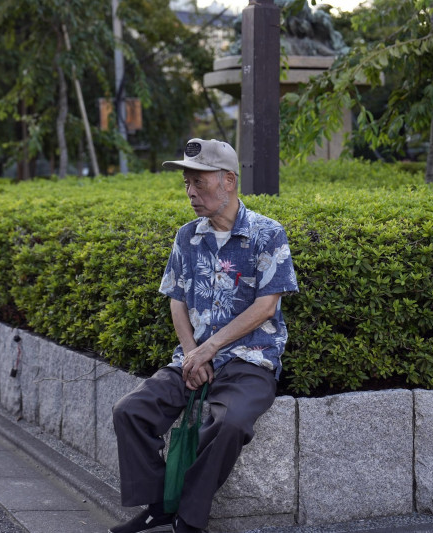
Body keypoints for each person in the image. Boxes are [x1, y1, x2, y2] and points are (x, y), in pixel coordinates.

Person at [109, 138, 299, 533]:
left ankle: (189, 518)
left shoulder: (267, 234)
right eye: (186, 184)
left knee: (230, 425)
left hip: (250, 361)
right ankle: (160, 503)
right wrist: (192, 353)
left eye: (199, 182)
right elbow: (176, 299)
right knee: (130, 411)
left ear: (228, 181)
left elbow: (266, 307)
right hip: (192, 357)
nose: (191, 193)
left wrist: (209, 349)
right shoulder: (187, 236)